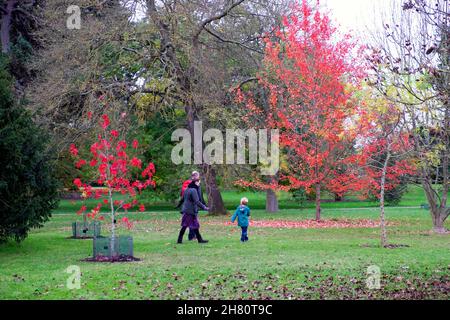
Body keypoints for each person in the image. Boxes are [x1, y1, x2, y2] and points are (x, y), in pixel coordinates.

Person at [177, 177, 209, 244]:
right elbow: (197, 201)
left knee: (195, 225)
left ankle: (200, 240)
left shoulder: (187, 189)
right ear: (195, 183)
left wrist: (178, 206)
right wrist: (204, 207)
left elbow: (182, 199)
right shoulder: (193, 190)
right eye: (198, 183)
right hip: (190, 211)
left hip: (188, 210)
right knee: (185, 226)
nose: (199, 184)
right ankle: (179, 240)